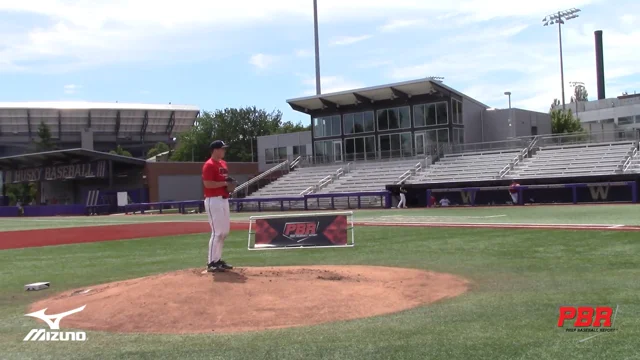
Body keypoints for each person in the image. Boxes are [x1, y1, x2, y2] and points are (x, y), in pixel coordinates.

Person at [202, 140, 237, 273]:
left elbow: (223, 181)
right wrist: (224, 183)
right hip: (213, 200)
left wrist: (228, 185)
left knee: (224, 232)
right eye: (222, 149)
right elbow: (208, 184)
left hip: (223, 199)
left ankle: (218, 260)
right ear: (215, 150)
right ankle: (211, 262)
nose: (224, 151)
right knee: (217, 232)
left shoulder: (223, 163)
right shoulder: (209, 165)